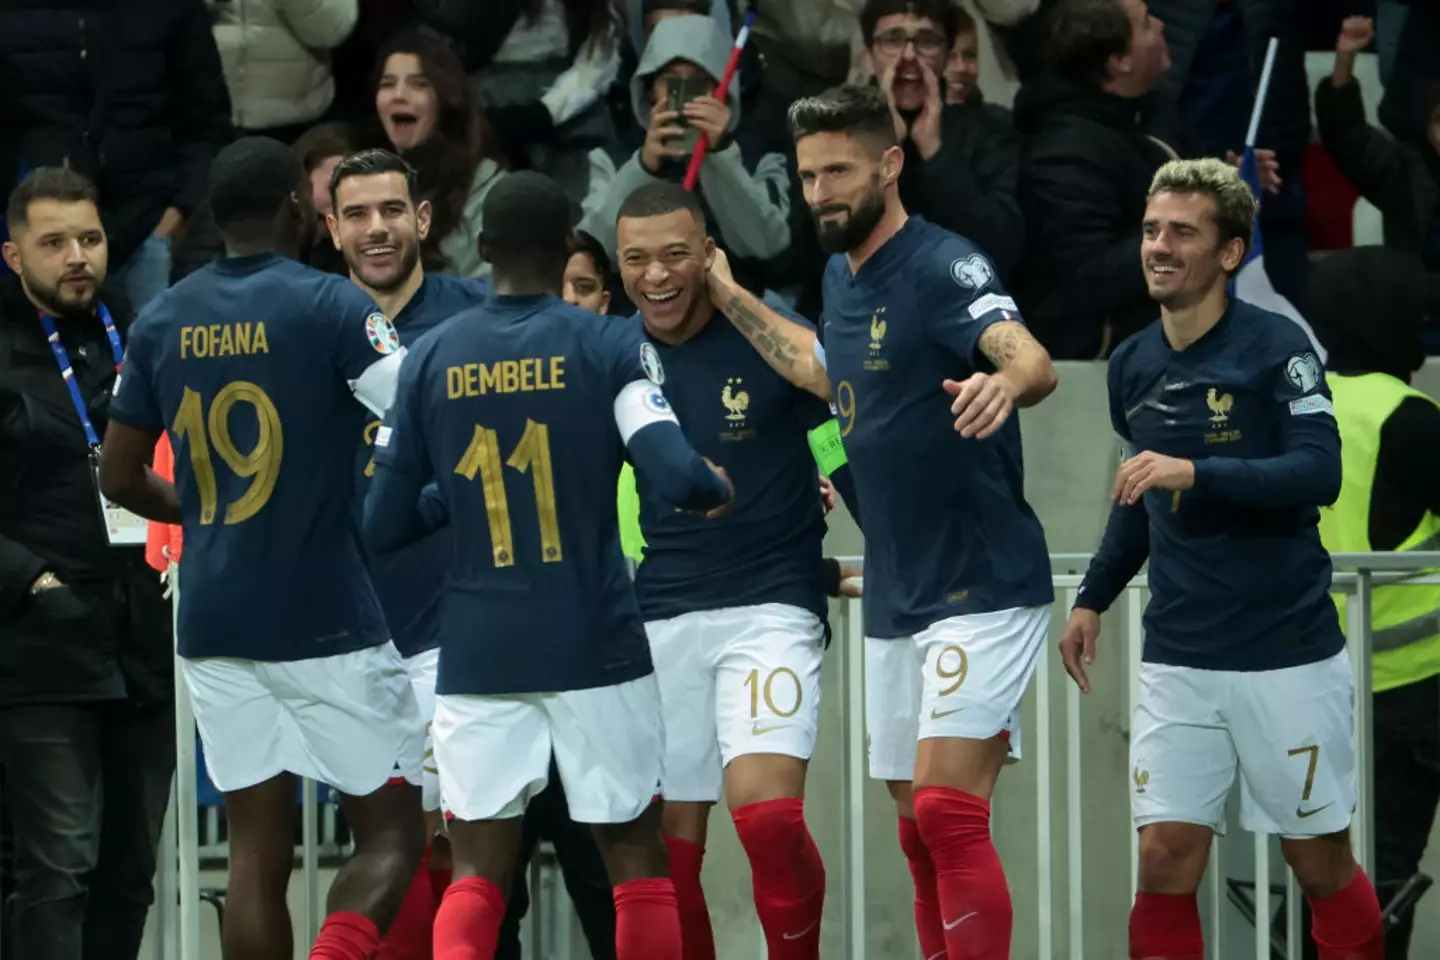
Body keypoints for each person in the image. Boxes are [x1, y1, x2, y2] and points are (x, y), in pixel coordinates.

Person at [714, 83, 1058, 960]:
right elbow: (821, 369)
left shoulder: (946, 264)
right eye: (808, 175)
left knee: (947, 809)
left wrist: (1001, 382)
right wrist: (725, 292)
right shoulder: (838, 275)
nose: (822, 191)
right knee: (914, 824)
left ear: (890, 165)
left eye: (839, 171)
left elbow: (1031, 357)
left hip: (980, 576)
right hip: (901, 588)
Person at [362, 170, 733, 960]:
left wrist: (450, 503)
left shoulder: (429, 360)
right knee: (635, 859)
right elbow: (674, 473)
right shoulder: (608, 343)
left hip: (477, 650)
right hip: (594, 639)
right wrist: (715, 486)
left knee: (476, 875)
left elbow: (381, 523)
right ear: (568, 245)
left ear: (483, 249)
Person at [96, 136, 427, 960]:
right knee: (393, 831)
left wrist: (199, 513)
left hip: (213, 619)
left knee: (254, 850)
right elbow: (428, 417)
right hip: (323, 616)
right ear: (296, 210)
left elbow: (118, 472)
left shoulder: (163, 316)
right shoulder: (332, 307)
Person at [1058, 157, 1385, 960]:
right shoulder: (1132, 363)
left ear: (1231, 252)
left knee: (1317, 864)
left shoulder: (1280, 347)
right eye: (1149, 230)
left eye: (1182, 232)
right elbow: (1137, 500)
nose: (1159, 247)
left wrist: (1196, 471)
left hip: (1286, 657)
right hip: (1179, 657)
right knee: (1163, 860)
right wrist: (1093, 597)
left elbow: (1318, 471)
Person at [611, 180, 861, 960]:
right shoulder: (615, 352)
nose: (656, 276)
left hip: (769, 606)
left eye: (676, 255)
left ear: (710, 254)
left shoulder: (770, 335)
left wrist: (888, 532)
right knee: (668, 850)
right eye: (636, 259)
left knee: (768, 818)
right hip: (659, 617)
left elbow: (832, 440)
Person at [0, 167, 175, 960]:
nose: (78, 256)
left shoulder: (144, 335)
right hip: (41, 648)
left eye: (91, 239)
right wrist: (32, 584)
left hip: (145, 636)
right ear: (13, 255)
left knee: (130, 871)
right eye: (55, 242)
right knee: (57, 866)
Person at [326, 146, 494, 960]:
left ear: (423, 218)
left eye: (392, 209)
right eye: (356, 213)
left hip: (458, 625)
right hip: (346, 637)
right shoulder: (310, 322)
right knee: (387, 849)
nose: (377, 229)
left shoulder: (477, 318)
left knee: (449, 845)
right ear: (331, 229)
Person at [1307, 246, 1440, 959]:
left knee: (1326, 880)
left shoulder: (1298, 407)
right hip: (1414, 691)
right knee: (1384, 882)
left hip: (1311, 687)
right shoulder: (1409, 418)